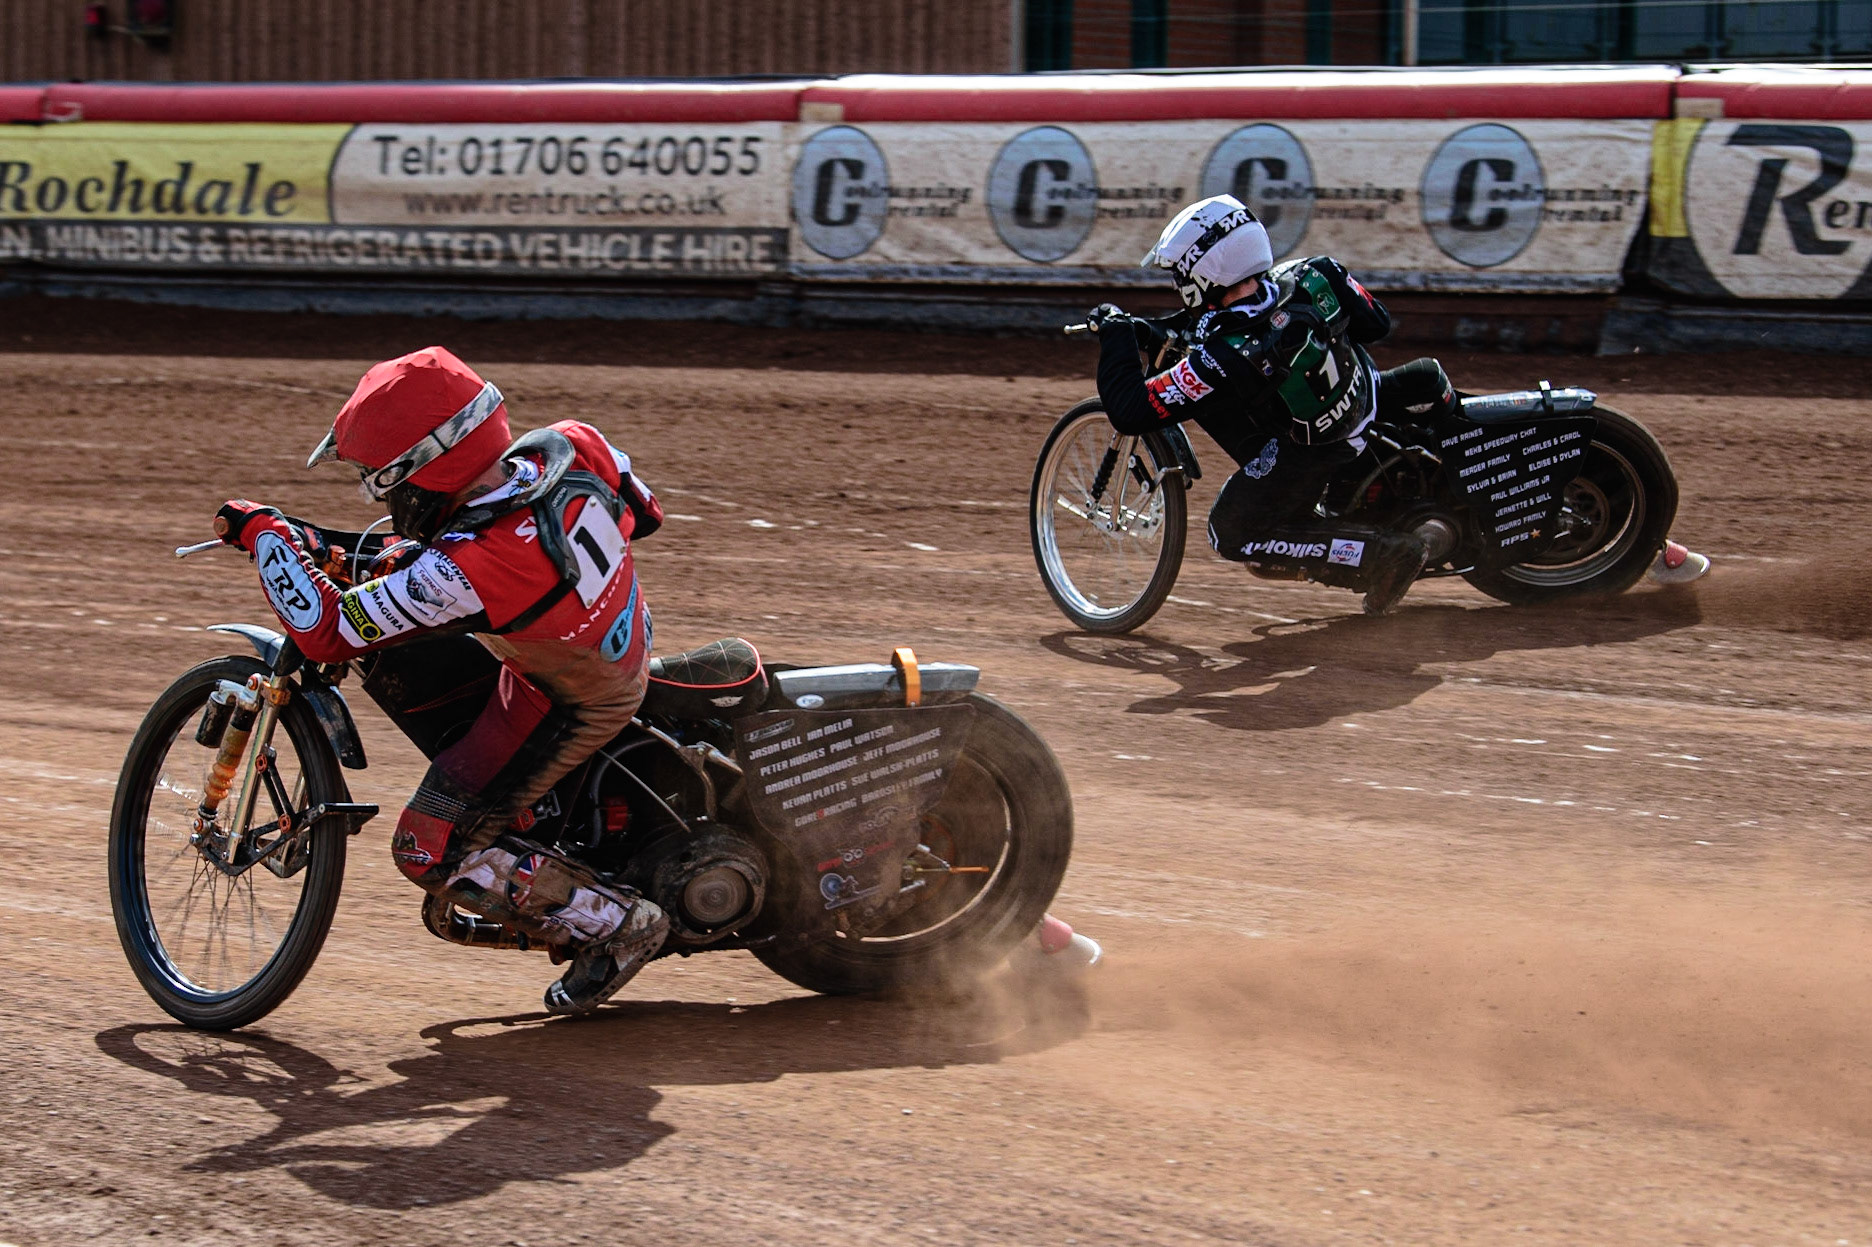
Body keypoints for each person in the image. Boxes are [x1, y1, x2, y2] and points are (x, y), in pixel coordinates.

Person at [213, 346, 669, 1016]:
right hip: (620, 637)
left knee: (426, 848)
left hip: (568, 698)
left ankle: (623, 925)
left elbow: (329, 631)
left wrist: (268, 536)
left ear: (425, 467)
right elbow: (644, 513)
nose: (384, 494)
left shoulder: (474, 565)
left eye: (383, 479)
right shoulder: (569, 444)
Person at [1089, 194, 1459, 616]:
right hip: (1366, 399)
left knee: (1230, 533)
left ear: (1209, 271)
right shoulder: (1316, 273)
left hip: (1317, 450)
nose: (1178, 283)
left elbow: (1130, 411)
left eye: (1180, 273)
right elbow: (1377, 323)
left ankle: (1379, 554)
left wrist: (1116, 338)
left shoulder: (1224, 357)